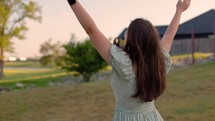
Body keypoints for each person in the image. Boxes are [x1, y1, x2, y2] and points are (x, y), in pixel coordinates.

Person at [67, 0, 191, 120]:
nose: (125, 34)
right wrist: (179, 10)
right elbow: (169, 35)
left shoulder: (123, 65)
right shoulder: (159, 63)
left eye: (127, 32)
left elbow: (91, 30)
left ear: (132, 39)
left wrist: (73, 2)